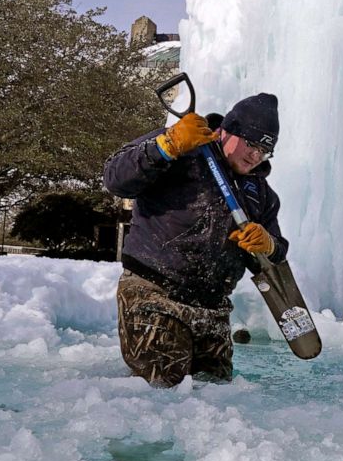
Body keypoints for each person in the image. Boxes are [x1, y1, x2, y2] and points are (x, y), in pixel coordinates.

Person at [103, 93, 288, 387]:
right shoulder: (183, 145)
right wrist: (165, 147)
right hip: (155, 296)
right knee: (161, 396)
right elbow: (114, 178)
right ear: (227, 129)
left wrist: (268, 245)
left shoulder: (261, 194)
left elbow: (276, 255)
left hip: (213, 310)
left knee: (216, 403)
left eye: (265, 151)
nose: (255, 156)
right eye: (251, 144)